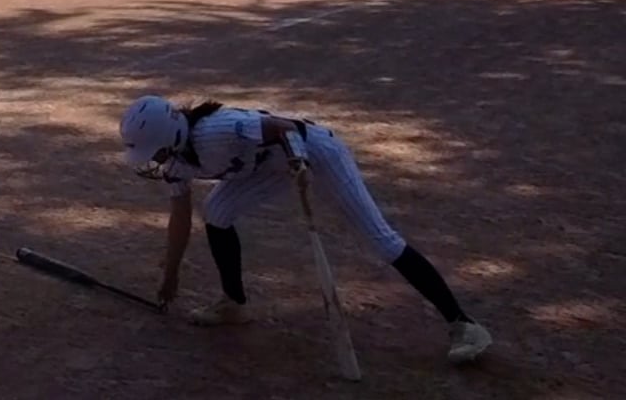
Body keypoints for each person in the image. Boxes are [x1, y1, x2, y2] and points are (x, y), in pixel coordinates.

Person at [118, 96, 493, 366]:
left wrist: (298, 160)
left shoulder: (216, 130)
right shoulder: (177, 163)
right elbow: (180, 217)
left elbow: (287, 128)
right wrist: (171, 274)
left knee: (381, 240)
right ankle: (234, 304)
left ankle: (464, 324)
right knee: (216, 212)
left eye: (154, 152)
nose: (153, 161)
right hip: (268, 167)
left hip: (314, 151)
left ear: (170, 137)